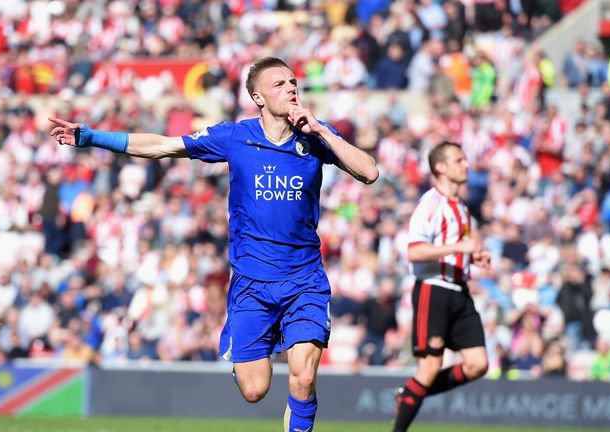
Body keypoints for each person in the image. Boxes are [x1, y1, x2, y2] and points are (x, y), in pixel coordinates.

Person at [48, 56, 378, 432]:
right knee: (255, 390)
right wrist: (90, 136)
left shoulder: (315, 139)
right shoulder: (235, 137)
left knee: (303, 377)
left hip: (304, 280)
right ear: (258, 97)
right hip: (252, 284)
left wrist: (320, 130)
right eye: (279, 84)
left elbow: (369, 172)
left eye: (293, 83)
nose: (290, 88)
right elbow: (161, 146)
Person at [392, 142, 490, 432]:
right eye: (458, 160)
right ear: (441, 168)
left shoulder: (462, 208)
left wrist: (474, 255)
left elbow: (456, 247)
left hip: (460, 290)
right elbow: (415, 251)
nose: (466, 165)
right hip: (434, 290)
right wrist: (460, 246)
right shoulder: (430, 204)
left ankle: (410, 393)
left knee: (478, 363)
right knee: (430, 366)